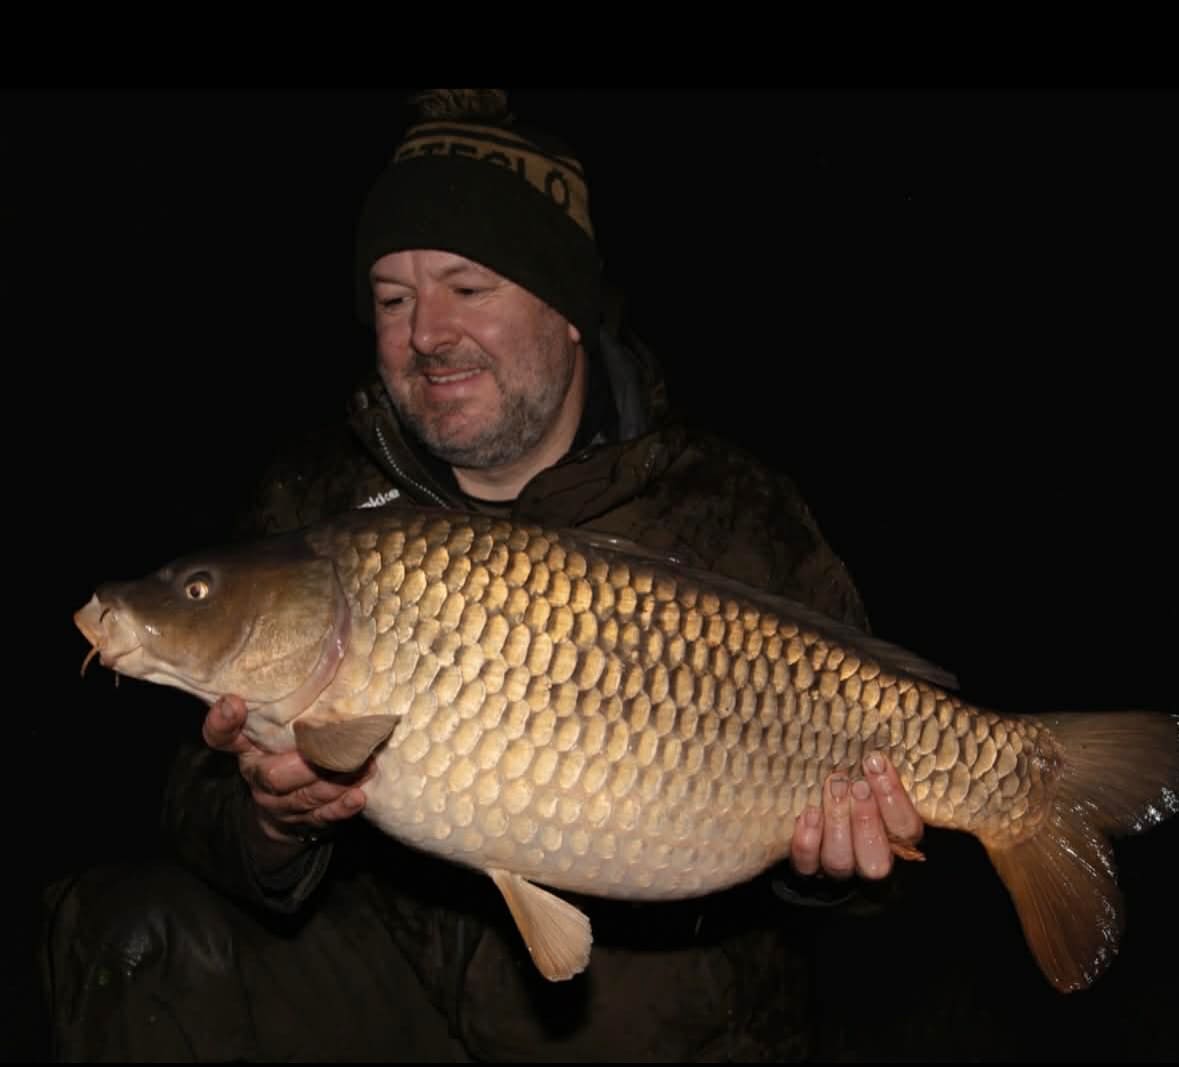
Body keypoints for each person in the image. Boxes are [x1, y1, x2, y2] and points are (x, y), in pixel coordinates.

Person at [42, 88, 926, 1062]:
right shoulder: (323, 502)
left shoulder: (733, 513)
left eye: (468, 286)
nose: (426, 332)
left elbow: (869, 886)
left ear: (568, 308)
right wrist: (267, 817)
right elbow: (189, 800)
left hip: (653, 1012)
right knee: (136, 932)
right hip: (388, 979)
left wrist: (830, 870)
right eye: (392, 299)